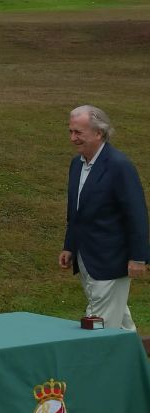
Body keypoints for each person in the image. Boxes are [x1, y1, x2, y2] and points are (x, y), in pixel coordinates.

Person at [59, 105, 149, 329]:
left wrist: (139, 258)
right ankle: (135, 362)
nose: (73, 138)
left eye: (78, 132)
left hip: (110, 260)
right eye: (70, 131)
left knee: (99, 323)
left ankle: (94, 364)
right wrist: (70, 246)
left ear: (99, 133)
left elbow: (136, 214)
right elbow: (76, 213)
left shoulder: (119, 166)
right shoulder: (76, 165)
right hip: (86, 258)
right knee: (121, 323)